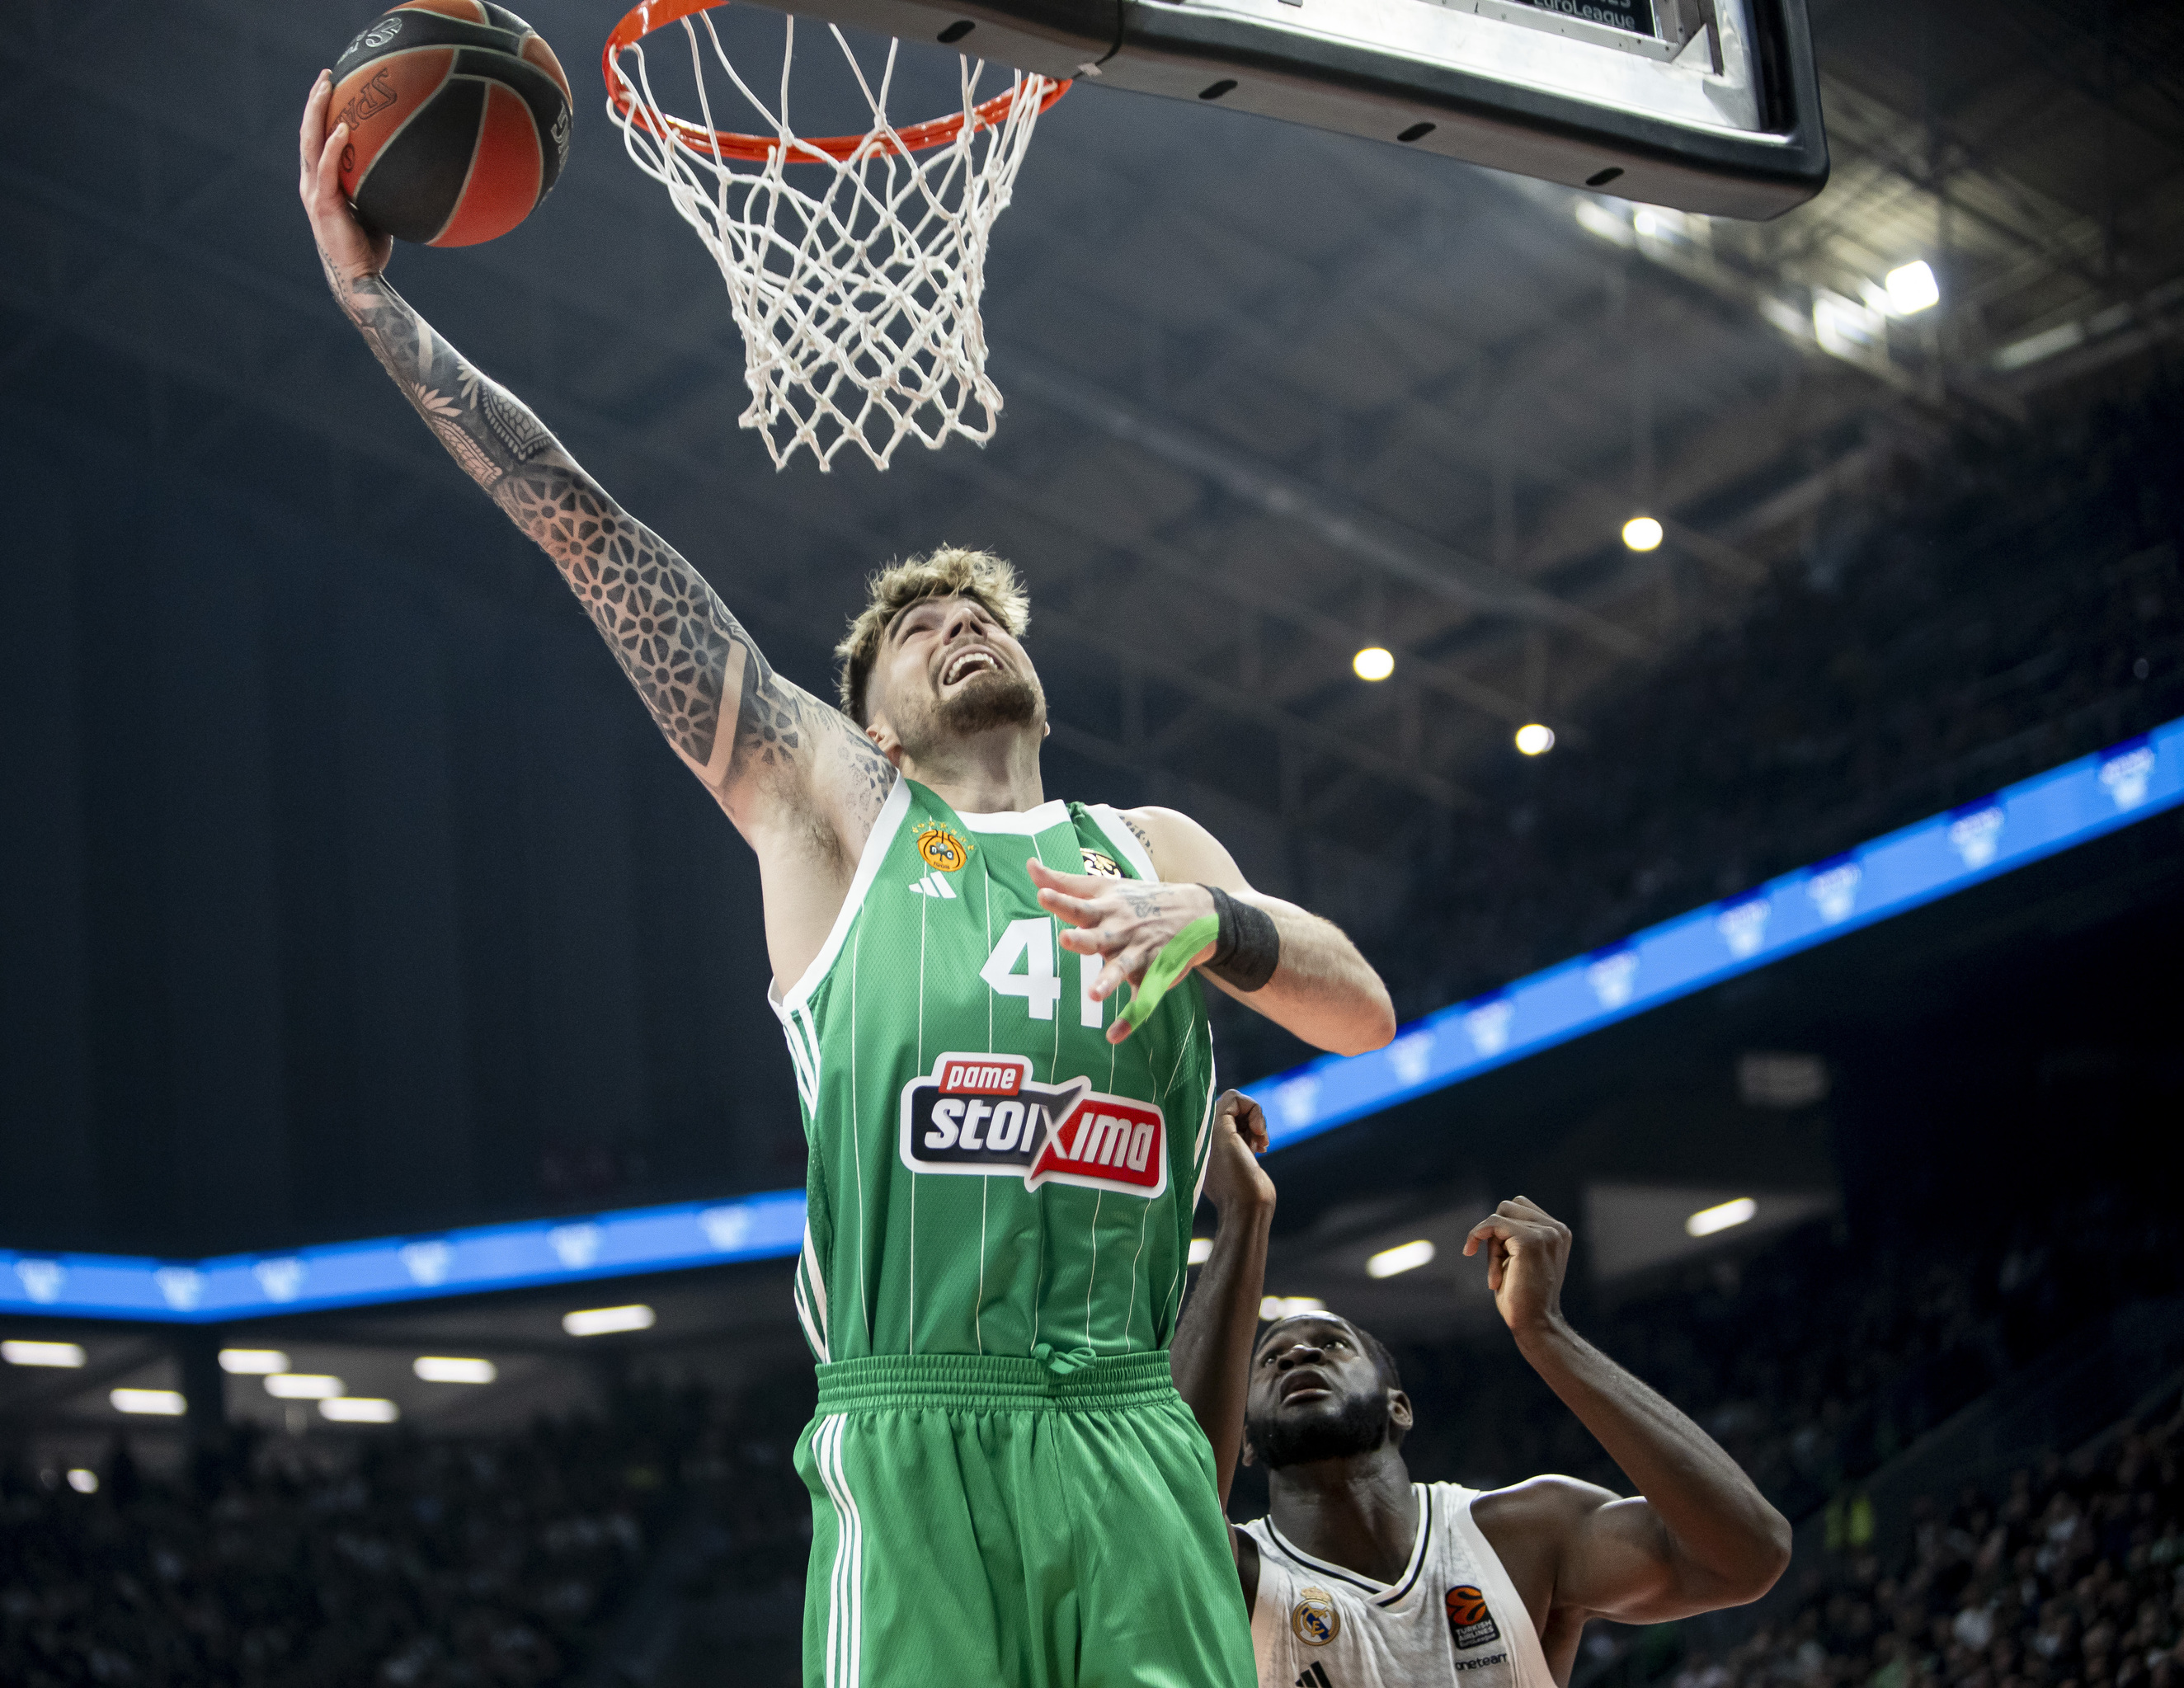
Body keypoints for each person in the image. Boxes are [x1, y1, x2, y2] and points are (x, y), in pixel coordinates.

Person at [294, 73, 1399, 1688]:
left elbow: (1362, 1012)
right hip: (912, 1421)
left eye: (987, 615)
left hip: (1127, 1421)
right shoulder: (838, 818)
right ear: (867, 715)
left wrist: (1217, 925)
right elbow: (592, 538)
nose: (963, 625)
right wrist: (375, 309)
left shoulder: (1153, 849)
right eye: (918, 631)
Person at [1174, 1112, 1791, 1688]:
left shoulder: (1520, 1532)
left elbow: (1748, 1555)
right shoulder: (1233, 1574)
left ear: (1399, 1406)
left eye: (1332, 1343)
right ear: (1245, 1439)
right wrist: (1245, 1213)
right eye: (1271, 1358)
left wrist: (1546, 1333)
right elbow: (1162, 1502)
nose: (1298, 1356)